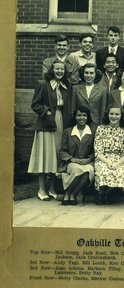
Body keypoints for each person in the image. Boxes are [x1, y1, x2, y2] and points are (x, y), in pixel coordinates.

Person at [28, 59, 73, 201]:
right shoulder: (43, 85)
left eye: (62, 69)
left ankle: (52, 189)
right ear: (52, 70)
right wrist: (46, 112)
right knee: (44, 156)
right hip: (46, 124)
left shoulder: (67, 86)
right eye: (57, 69)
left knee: (56, 156)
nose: (59, 71)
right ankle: (41, 189)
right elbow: (35, 105)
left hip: (61, 122)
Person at [59, 106, 96, 205]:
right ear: (75, 117)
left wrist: (89, 159)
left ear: (87, 117)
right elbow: (62, 151)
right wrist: (72, 159)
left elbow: (97, 150)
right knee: (76, 169)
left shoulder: (93, 131)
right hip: (71, 162)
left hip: (87, 162)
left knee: (88, 171)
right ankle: (68, 194)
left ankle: (71, 193)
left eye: (84, 115)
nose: (82, 118)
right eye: (79, 115)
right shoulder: (68, 131)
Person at [94, 106, 124, 205]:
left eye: (117, 114)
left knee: (119, 171)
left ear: (121, 116)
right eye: (112, 114)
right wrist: (108, 162)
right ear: (108, 115)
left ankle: (108, 194)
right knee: (103, 170)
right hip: (103, 158)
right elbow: (98, 151)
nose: (114, 116)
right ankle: (101, 193)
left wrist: (117, 164)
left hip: (119, 159)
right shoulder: (101, 129)